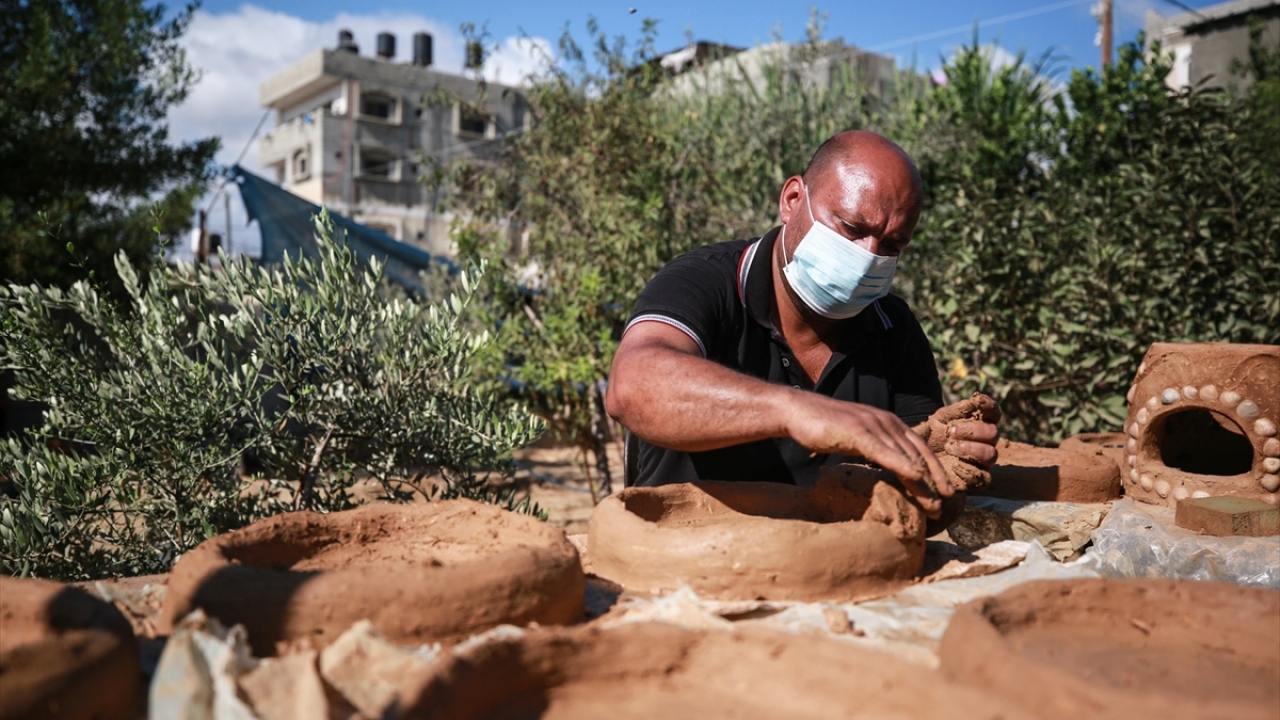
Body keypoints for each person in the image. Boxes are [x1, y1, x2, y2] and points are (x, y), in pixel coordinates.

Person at [605, 130, 999, 521]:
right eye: (851, 228)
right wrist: (796, 410)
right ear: (793, 200)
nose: (868, 258)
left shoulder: (893, 327)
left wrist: (942, 466)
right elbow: (632, 386)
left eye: (892, 245)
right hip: (683, 563)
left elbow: (919, 490)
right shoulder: (705, 282)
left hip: (828, 570)